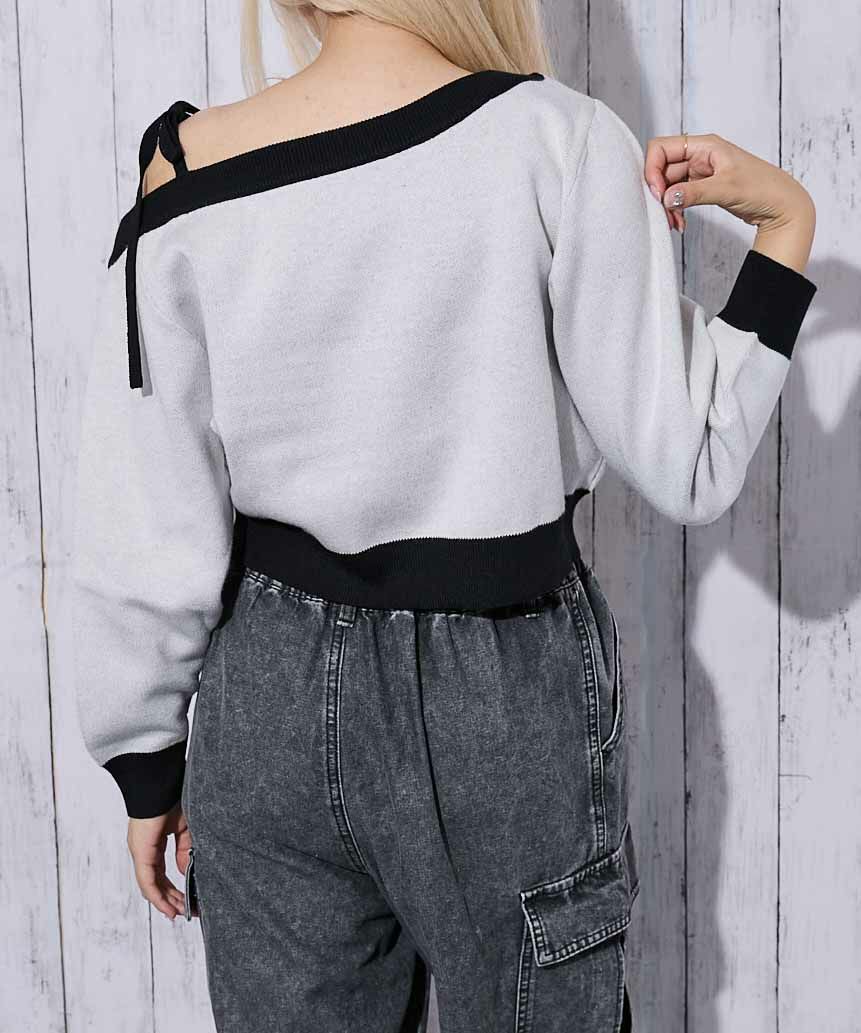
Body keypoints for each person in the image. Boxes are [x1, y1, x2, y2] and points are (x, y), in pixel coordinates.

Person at [70, 1, 817, 1031]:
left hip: (265, 700)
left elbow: (144, 502)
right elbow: (690, 461)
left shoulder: (186, 172)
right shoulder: (555, 140)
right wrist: (785, 224)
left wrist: (145, 761)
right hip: (505, 689)